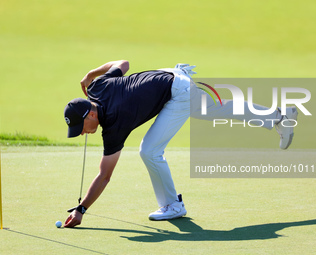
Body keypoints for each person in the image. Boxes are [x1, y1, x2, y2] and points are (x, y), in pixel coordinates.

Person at [63, 60, 297, 228]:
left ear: (90, 115)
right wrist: (91, 74)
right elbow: (123, 63)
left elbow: (105, 175)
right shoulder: (97, 86)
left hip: (176, 92)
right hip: (173, 77)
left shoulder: (114, 125)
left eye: (80, 127)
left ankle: (173, 206)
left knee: (150, 151)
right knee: (216, 108)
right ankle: (279, 117)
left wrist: (81, 209)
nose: (82, 133)